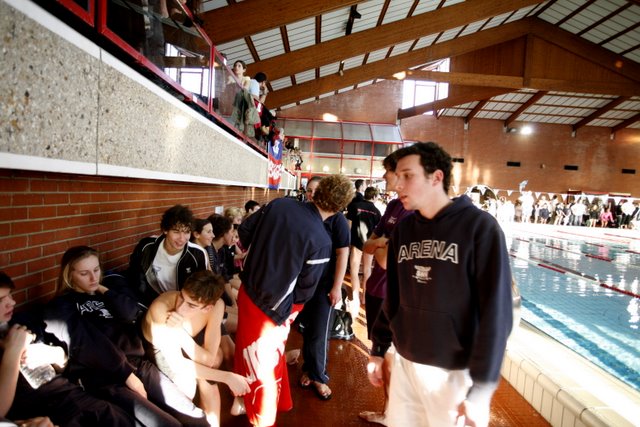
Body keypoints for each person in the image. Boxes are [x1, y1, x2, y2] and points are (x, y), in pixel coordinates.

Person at [367, 142, 513, 427]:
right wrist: (378, 349)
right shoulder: (404, 231)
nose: (397, 185)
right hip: (406, 365)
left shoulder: (479, 227)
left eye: (407, 175)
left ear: (436, 177)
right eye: (397, 176)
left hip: (454, 373)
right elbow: (393, 298)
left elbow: (497, 313)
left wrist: (481, 391)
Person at [233, 174, 354, 427]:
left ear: (317, 192)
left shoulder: (280, 204)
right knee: (263, 365)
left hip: (248, 291)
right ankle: (262, 419)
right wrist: (288, 313)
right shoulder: (321, 240)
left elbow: (244, 232)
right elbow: (304, 292)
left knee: (247, 352)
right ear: (340, 207)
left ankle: (244, 400)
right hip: (273, 309)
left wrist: (249, 260)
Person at [44, 246, 210, 427]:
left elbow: (131, 313)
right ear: (69, 276)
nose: (93, 278)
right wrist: (126, 375)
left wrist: (103, 289)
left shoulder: (108, 295)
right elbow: (89, 344)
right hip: (107, 376)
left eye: (96, 270)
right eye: (84, 273)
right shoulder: (62, 305)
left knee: (195, 416)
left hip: (138, 364)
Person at [1, 272, 135, 427]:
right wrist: (13, 351)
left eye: (10, 295)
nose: (12, 302)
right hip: (50, 416)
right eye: (0, 300)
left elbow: (65, 363)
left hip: (80, 398)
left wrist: (53, 354)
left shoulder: (23, 322)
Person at [142, 270, 250, 426]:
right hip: (158, 347)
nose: (180, 308)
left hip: (186, 336)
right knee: (187, 387)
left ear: (207, 308)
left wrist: (179, 332)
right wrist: (226, 377)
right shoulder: (161, 309)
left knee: (214, 363)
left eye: (191, 305)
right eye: (181, 297)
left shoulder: (217, 306)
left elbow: (209, 358)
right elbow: (178, 364)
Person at [358, 152, 412, 424]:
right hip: (376, 289)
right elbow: (368, 244)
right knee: (382, 352)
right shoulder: (392, 206)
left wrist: (379, 244)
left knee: (392, 357)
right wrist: (381, 243)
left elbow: (383, 259)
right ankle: (389, 411)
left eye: (387, 171)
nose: (383, 176)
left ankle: (391, 414)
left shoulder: (411, 212)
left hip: (393, 295)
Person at [297, 176, 350, 401]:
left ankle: (319, 376)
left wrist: (337, 286)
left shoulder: (337, 219)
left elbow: (343, 253)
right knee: (307, 329)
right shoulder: (304, 213)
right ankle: (309, 369)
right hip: (303, 283)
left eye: (316, 191)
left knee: (320, 331)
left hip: (324, 285)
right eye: (309, 190)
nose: (312, 194)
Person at [128, 204, 208, 307]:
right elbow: (134, 276)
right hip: (150, 302)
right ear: (165, 230)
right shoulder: (146, 247)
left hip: (182, 306)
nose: (182, 238)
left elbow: (202, 289)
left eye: (187, 232)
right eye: (176, 232)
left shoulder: (198, 254)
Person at [346, 185, 381, 318]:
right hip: (369, 244)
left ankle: (355, 298)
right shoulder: (377, 212)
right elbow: (378, 231)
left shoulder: (354, 206)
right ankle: (365, 299)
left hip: (356, 242)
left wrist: (348, 241)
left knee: (354, 271)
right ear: (374, 196)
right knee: (367, 271)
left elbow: (349, 225)